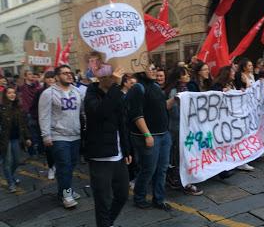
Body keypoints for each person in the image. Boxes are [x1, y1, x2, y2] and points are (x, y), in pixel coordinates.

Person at [84, 65, 132, 227]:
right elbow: (100, 113)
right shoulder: (91, 94)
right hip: (100, 157)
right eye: (111, 77)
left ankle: (107, 223)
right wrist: (116, 89)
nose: (114, 80)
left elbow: (122, 123)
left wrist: (126, 149)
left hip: (118, 155)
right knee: (103, 200)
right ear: (101, 78)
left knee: (122, 195)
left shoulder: (115, 94)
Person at [126, 64, 174, 211]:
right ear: (141, 70)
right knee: (149, 169)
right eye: (150, 68)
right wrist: (147, 134)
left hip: (163, 135)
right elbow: (136, 114)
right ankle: (139, 197)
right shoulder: (138, 88)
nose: (153, 71)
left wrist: (175, 99)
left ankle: (159, 199)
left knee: (162, 169)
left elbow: (162, 107)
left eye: (155, 68)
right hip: (149, 136)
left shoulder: (156, 87)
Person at [38, 65, 82, 208]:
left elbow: (83, 112)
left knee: (71, 165)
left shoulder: (77, 91)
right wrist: (46, 136)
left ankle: (64, 189)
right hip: (58, 136)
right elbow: (43, 116)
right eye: (65, 73)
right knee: (64, 166)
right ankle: (67, 195)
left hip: (75, 135)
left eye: (70, 73)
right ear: (57, 77)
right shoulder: (48, 93)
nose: (69, 75)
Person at [164, 66, 204, 195]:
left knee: (182, 156)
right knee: (179, 156)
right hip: (176, 130)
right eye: (185, 74)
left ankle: (179, 180)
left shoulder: (186, 89)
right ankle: (181, 181)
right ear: (179, 77)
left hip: (185, 130)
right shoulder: (174, 92)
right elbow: (174, 112)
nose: (188, 76)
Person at [0, 87, 32, 193]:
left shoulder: (18, 107)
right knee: (7, 161)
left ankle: (11, 176)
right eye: (9, 93)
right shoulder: (1, 108)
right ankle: (10, 183)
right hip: (4, 139)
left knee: (17, 160)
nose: (12, 95)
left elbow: (23, 125)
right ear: (5, 95)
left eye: (13, 93)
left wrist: (27, 137)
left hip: (16, 138)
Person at [31, 71, 56, 179]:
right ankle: (51, 167)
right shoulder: (40, 92)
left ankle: (59, 165)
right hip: (45, 124)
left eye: (52, 78)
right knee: (49, 148)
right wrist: (39, 118)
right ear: (45, 79)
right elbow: (33, 108)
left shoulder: (60, 91)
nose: (50, 80)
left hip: (59, 124)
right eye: (48, 78)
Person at [18, 69, 41, 157]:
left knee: (38, 132)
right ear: (25, 76)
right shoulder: (22, 87)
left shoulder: (36, 86)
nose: (31, 75)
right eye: (29, 74)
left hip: (37, 111)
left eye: (32, 74)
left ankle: (39, 150)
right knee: (30, 133)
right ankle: (32, 152)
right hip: (28, 112)